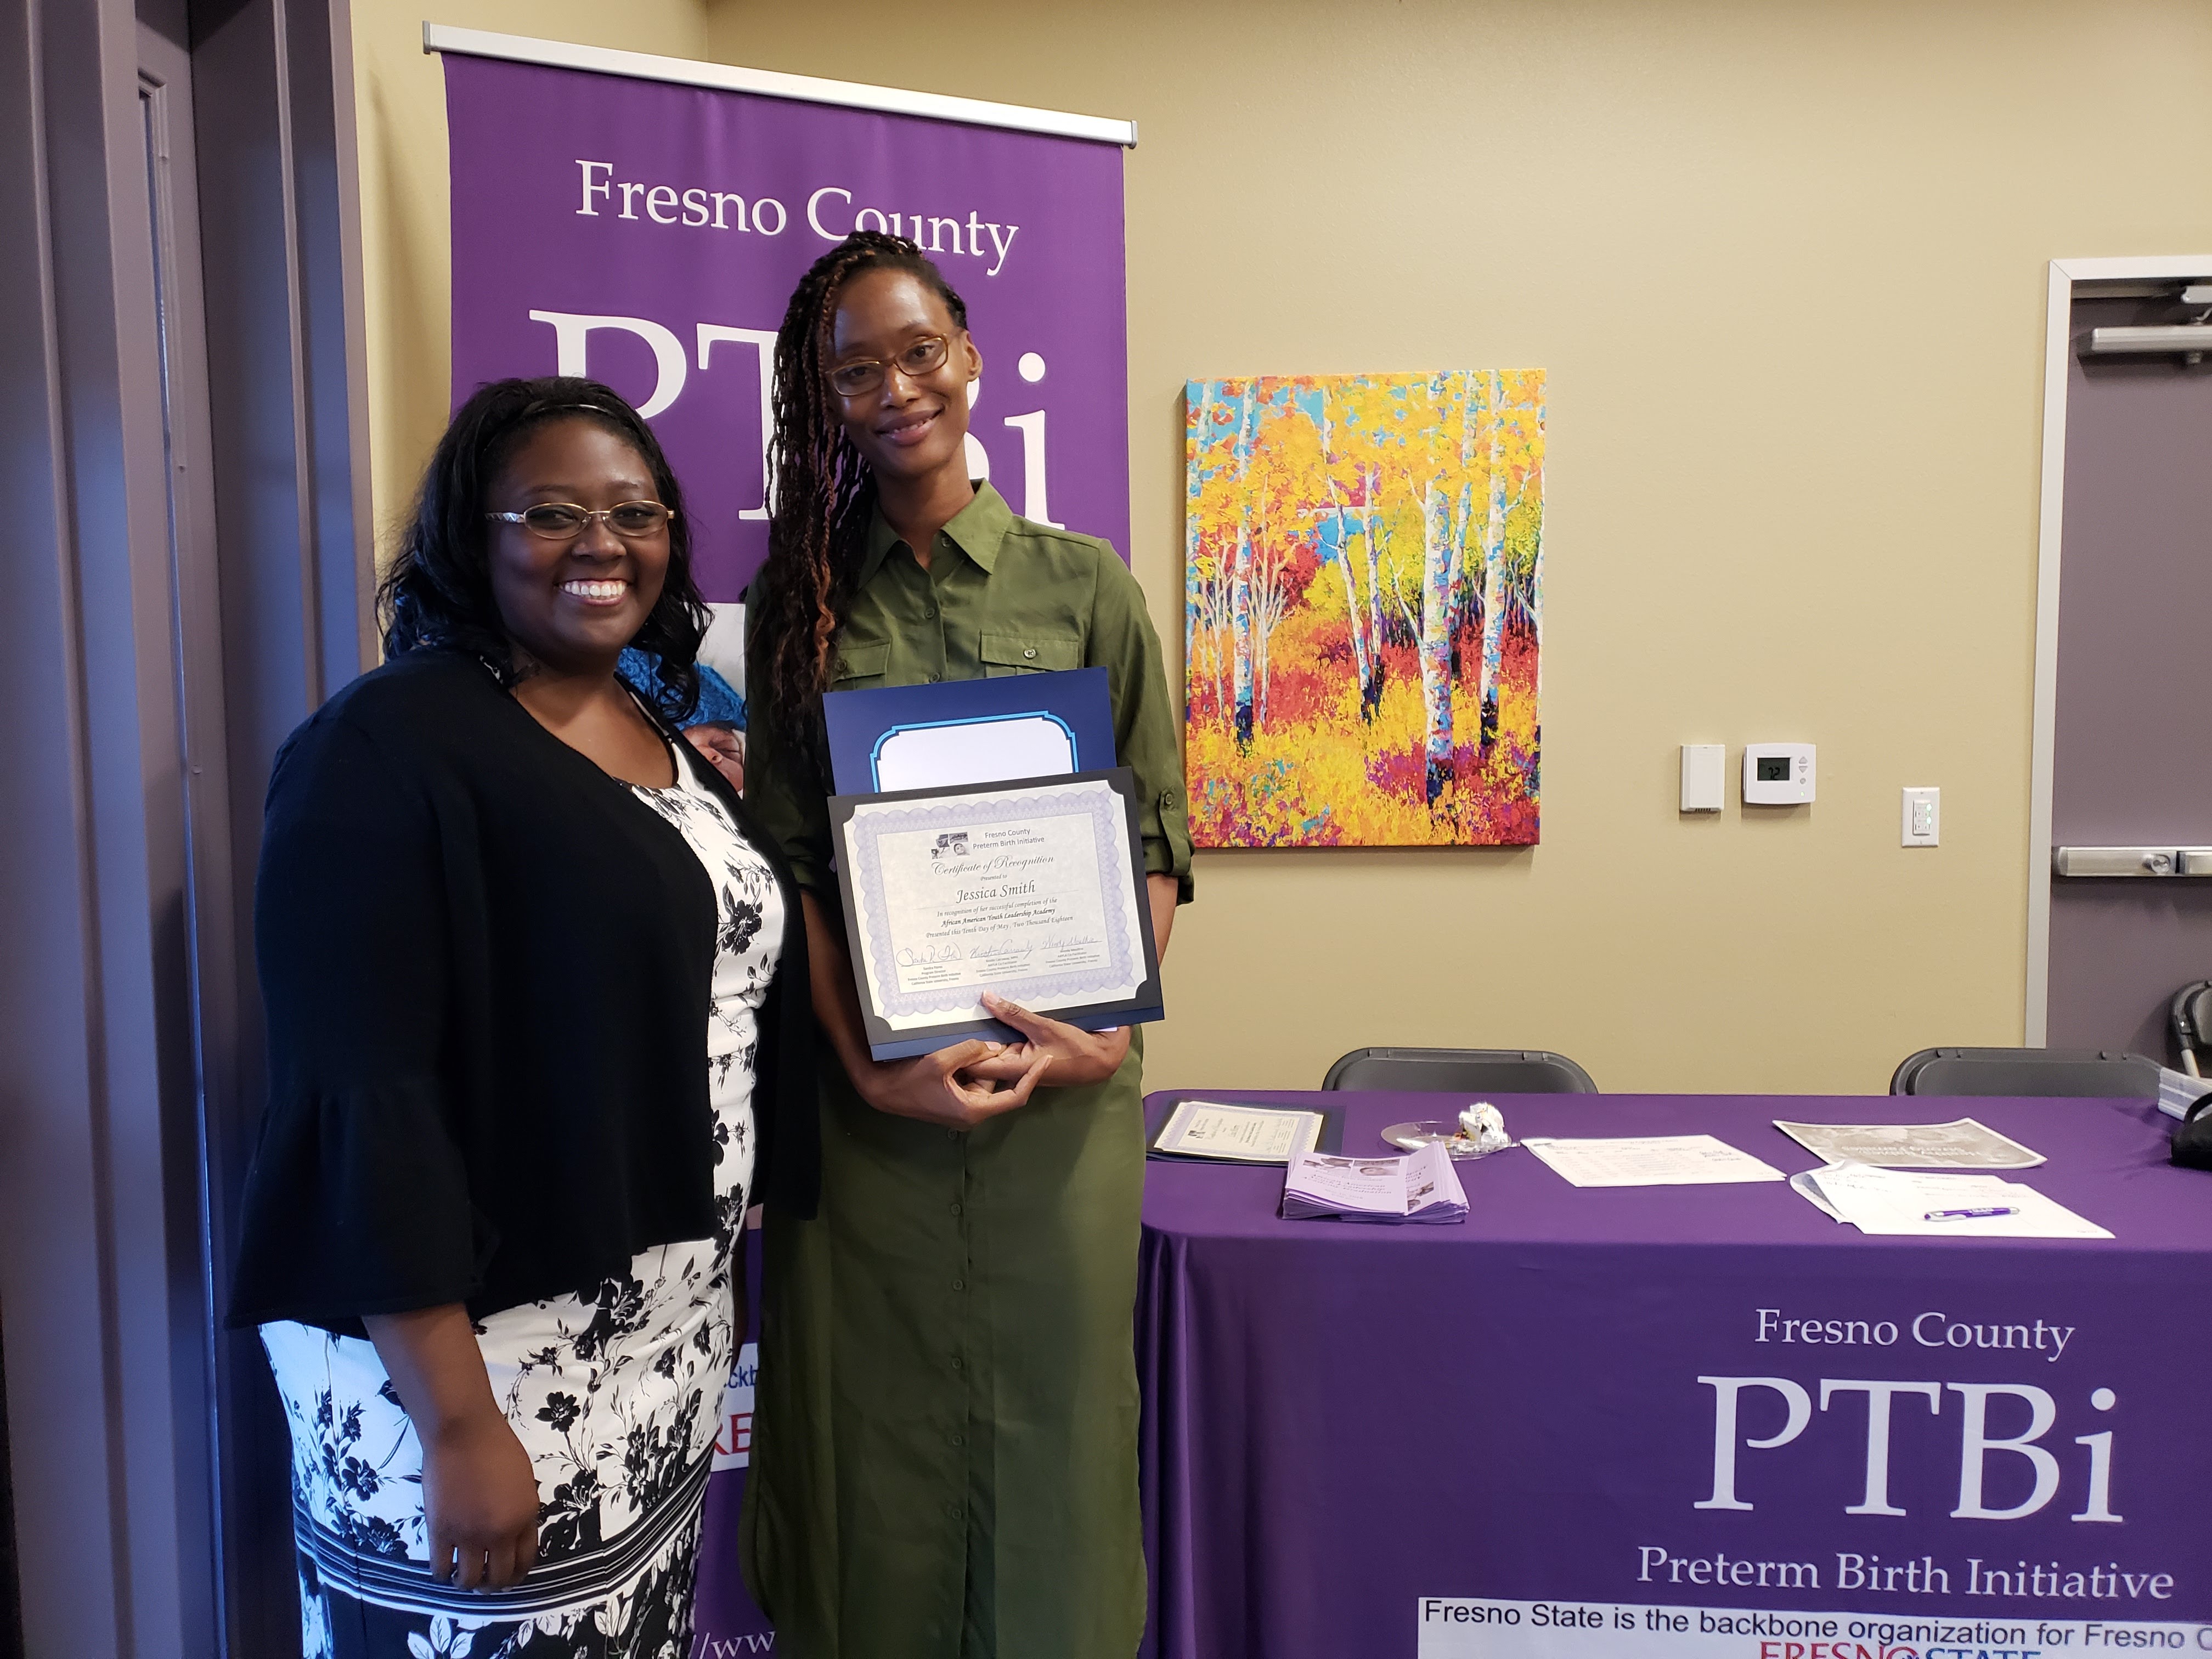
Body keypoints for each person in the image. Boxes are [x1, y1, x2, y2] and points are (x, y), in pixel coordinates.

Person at [227, 377, 816, 1658]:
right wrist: (455, 1423)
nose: (602, 543)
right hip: (478, 1360)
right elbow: (364, 1095)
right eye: (550, 513)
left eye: (634, 511)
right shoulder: (381, 749)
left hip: (659, 1343)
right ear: (469, 536)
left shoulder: (654, 722)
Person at [739, 233, 1193, 1658]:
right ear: (824, 402)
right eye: (853, 370)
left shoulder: (1088, 588)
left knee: (1059, 1441)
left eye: (917, 353)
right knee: (877, 1451)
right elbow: (794, 866)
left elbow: (1160, 838)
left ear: (971, 357)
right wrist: (867, 1076)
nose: (894, 391)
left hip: (1062, 1117)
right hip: (871, 1113)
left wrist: (1104, 1025)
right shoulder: (794, 614)